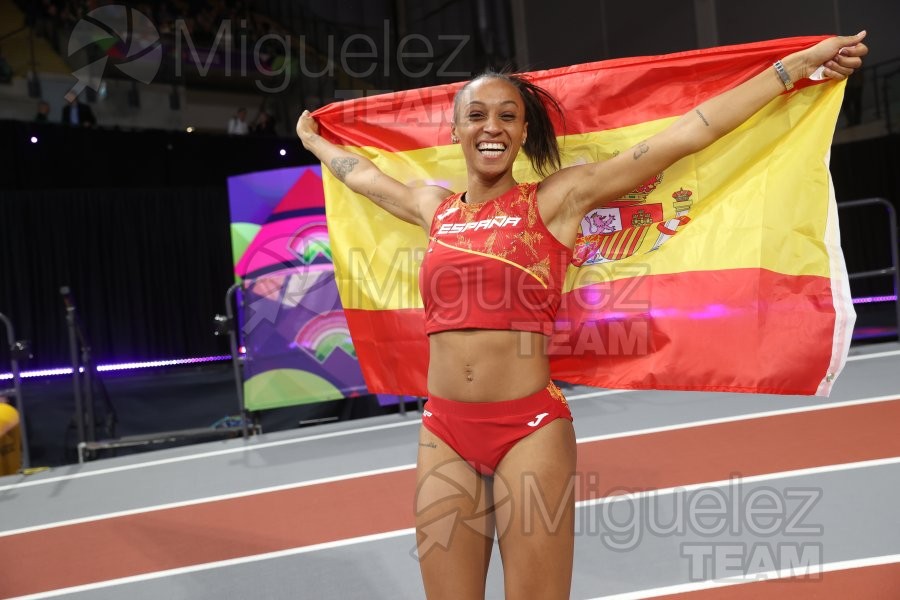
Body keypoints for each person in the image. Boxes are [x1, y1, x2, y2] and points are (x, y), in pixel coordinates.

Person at [296, 32, 867, 599]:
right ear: (456, 130)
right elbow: (363, 178)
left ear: (523, 132)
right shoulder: (433, 208)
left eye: (507, 116)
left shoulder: (557, 199)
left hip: (529, 431)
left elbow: (691, 133)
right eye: (476, 115)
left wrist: (790, 70)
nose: (491, 126)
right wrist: (314, 140)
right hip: (442, 430)